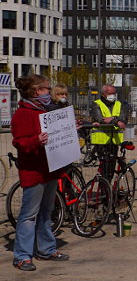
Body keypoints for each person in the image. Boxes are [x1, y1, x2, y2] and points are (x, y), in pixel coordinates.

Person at [11, 74, 69, 271]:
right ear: (37, 91)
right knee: (29, 215)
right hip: (34, 171)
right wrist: (37, 140)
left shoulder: (45, 110)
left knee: (46, 212)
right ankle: (22, 256)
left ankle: (46, 249)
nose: (49, 91)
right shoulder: (23, 114)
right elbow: (19, 142)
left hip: (49, 170)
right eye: (46, 88)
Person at [90, 84, 129, 182]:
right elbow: (99, 119)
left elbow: (124, 119)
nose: (113, 95)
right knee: (104, 169)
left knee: (111, 168)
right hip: (101, 141)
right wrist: (116, 121)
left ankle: (108, 192)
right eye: (110, 93)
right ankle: (104, 193)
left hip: (115, 140)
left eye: (114, 93)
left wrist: (111, 119)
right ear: (103, 94)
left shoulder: (119, 104)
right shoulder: (96, 104)